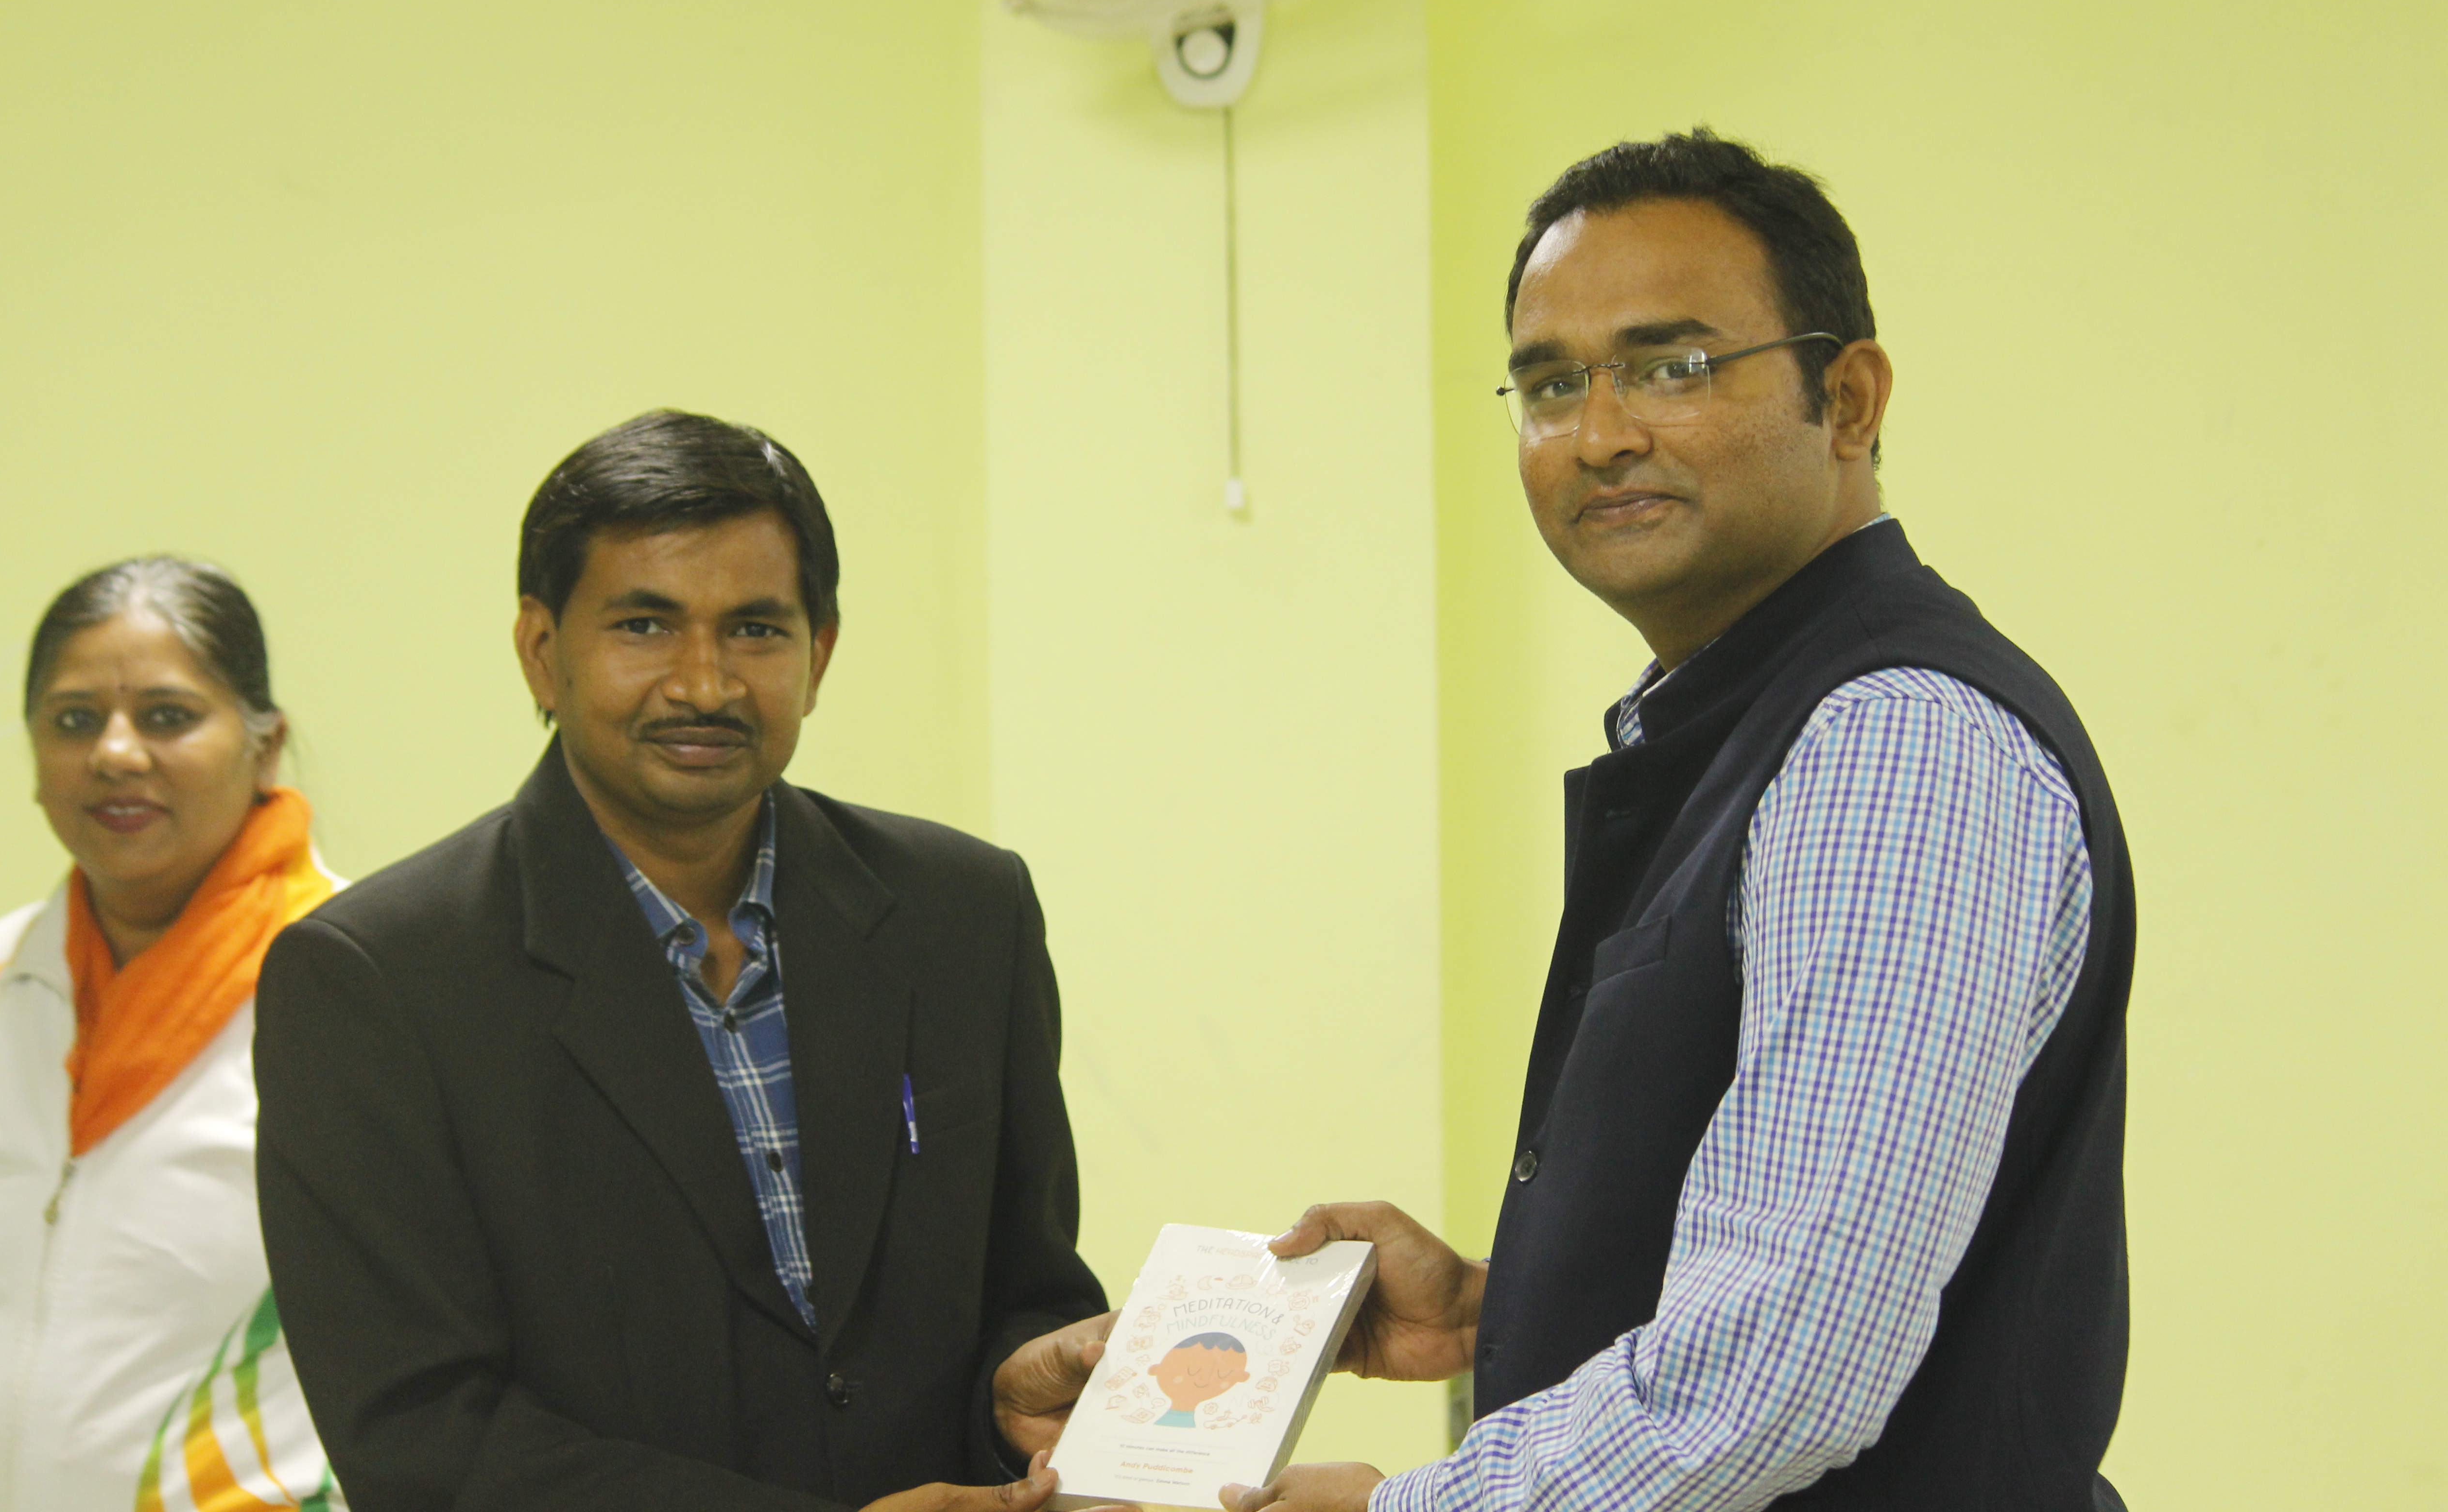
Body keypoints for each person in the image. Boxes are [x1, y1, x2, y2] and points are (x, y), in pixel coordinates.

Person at [1234, 132, 2134, 1512]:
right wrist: (1509, 1298)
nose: (1600, 434)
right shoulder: (1742, 723)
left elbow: (1784, 1378)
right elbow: (1806, 1258)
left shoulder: (1891, 742)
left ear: (1848, 399)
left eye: (1674, 366)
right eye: (1551, 384)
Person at [255, 411, 1115, 1512]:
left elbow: (1030, 1286)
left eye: (755, 629)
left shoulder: (963, 914)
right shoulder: (376, 979)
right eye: (646, 625)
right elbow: (420, 1438)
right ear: (542, 651)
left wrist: (1014, 1397)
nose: (705, 683)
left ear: (820, 655)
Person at [0, 556, 343, 1510]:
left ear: (266, 746)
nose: (116, 753)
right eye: (75, 720)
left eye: (166, 716)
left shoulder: (362, 992)